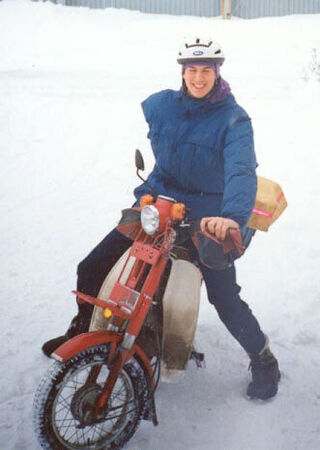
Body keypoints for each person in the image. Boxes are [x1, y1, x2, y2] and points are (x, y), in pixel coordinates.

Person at [42, 37, 280, 400]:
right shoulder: (164, 107)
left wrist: (230, 218)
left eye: (206, 71)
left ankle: (262, 358)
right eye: (192, 71)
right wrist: (146, 196)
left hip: (208, 216)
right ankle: (82, 330)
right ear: (182, 73)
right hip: (162, 205)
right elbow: (163, 165)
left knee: (223, 296)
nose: (198, 78)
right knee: (93, 266)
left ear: (217, 74)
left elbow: (241, 172)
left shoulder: (234, 120)